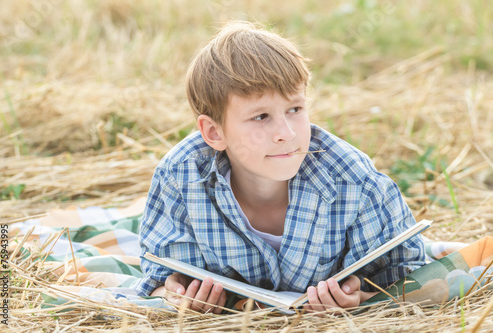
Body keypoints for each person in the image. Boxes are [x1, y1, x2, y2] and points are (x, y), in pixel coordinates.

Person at [133, 21, 426, 314]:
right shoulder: (180, 177)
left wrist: (360, 299)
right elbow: (159, 278)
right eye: (261, 116)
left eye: (294, 110)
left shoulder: (354, 179)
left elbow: (407, 272)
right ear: (214, 133)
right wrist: (177, 296)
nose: (286, 132)